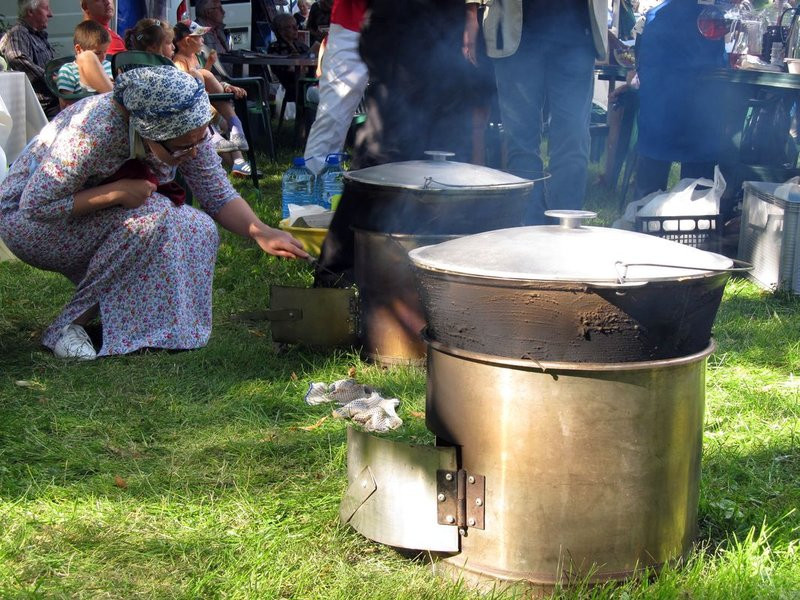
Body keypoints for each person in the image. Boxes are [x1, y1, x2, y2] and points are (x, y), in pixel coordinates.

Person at [0, 66, 307, 361]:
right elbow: (35, 206)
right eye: (181, 147)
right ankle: (68, 327)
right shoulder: (95, 129)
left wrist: (259, 230)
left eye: (199, 140)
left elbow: (216, 192)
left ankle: (149, 328)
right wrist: (116, 192)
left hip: (77, 215)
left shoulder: (186, 128)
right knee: (155, 215)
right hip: (26, 224)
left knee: (196, 224)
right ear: (147, 132)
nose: (192, 151)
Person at [463, 0, 608, 223]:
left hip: (577, 34)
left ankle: (566, 229)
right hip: (516, 34)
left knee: (573, 138)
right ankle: (529, 230)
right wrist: (470, 13)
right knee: (521, 142)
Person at [632, 0, 726, 199]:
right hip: (671, 99)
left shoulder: (658, 18)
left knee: (694, 174)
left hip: (693, 103)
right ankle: (647, 216)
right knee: (659, 159)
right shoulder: (661, 18)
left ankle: (651, 216)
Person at [172, 20, 254, 178]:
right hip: (200, 115)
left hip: (211, 109)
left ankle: (238, 161)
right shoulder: (179, 62)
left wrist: (225, 85)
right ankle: (234, 144)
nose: (203, 41)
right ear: (188, 40)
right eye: (200, 37)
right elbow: (191, 86)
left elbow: (207, 79)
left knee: (225, 127)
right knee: (220, 126)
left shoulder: (197, 58)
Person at [302, 0, 368, 176]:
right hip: (351, 25)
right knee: (332, 115)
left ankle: (423, 191)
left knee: (411, 112)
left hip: (410, 22)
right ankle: (316, 189)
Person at [0, 0, 58, 119]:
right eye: (46, 8)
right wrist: (51, 78)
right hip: (42, 109)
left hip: (54, 102)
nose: (51, 14)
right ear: (30, 11)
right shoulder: (18, 33)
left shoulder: (37, 35)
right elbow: (17, 59)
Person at [56, 20, 113, 107]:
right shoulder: (68, 71)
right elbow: (65, 105)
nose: (103, 57)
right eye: (97, 53)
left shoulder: (108, 65)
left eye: (105, 52)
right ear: (78, 49)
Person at [267, 13, 316, 104]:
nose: (296, 29)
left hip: (312, 81)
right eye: (291, 27)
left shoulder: (300, 45)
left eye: (296, 25)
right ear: (281, 31)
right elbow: (285, 69)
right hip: (297, 85)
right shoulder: (276, 48)